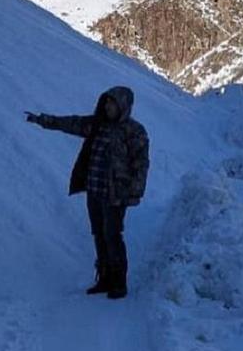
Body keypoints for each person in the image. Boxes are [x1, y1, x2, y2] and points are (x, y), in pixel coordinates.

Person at [26, 86, 150, 299]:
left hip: (115, 195)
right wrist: (43, 120)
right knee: (99, 235)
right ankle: (104, 279)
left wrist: (133, 192)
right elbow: (71, 123)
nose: (107, 107)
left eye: (112, 103)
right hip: (94, 191)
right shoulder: (97, 124)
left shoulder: (134, 131)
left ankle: (119, 283)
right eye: (106, 102)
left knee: (112, 236)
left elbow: (141, 164)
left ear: (123, 106)